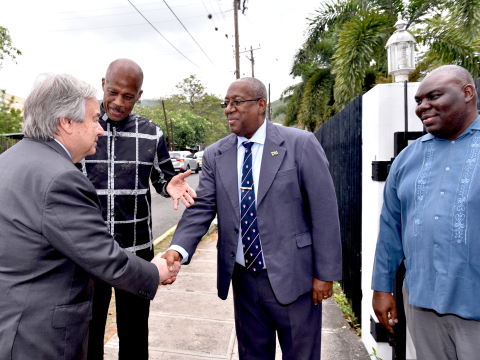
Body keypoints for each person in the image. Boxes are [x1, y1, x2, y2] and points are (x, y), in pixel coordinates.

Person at [0, 73, 180, 360]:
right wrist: (155, 270)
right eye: (94, 119)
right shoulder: (60, 177)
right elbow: (102, 256)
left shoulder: (8, 160)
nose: (101, 129)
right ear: (66, 123)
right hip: (41, 337)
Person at [164, 77, 342, 359]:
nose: (228, 109)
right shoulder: (215, 154)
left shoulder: (300, 144)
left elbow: (324, 211)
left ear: (261, 105)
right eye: (226, 103)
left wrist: (325, 274)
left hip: (294, 278)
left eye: (237, 102)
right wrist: (178, 248)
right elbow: (202, 207)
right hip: (245, 281)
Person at [76, 59, 196, 360]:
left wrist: (170, 183)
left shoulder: (151, 134)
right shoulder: (81, 128)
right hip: (88, 252)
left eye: (128, 96)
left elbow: (162, 177)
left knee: (134, 337)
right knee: (87, 337)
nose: (118, 102)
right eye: (113, 92)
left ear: (139, 95)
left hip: (136, 253)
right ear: (103, 84)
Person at [372, 65, 480, 359]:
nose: (422, 107)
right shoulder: (408, 158)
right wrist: (382, 288)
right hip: (422, 303)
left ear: (467, 93)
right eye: (419, 100)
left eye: (434, 96)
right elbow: (390, 228)